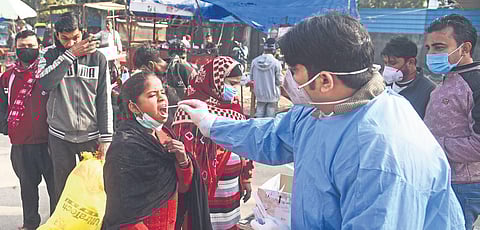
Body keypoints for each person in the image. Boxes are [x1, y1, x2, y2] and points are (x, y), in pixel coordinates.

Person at [177, 14, 465, 229]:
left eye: (293, 70)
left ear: (325, 80)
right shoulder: (324, 109)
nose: (286, 80)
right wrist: (212, 123)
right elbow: (271, 136)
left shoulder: (380, 157)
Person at [102, 72, 212, 230]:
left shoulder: (166, 136)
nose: (162, 98)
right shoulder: (124, 148)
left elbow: (183, 188)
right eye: (152, 95)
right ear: (133, 107)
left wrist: (183, 161)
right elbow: (122, 213)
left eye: (163, 93)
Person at [37, 12, 113, 205]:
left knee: (93, 189)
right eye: (65, 39)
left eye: (76, 38)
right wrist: (70, 55)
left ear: (82, 33)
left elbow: (104, 99)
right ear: (56, 36)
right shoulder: (49, 54)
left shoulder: (98, 58)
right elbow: (45, 83)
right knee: (61, 190)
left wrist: (105, 139)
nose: (70, 43)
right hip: (60, 135)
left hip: (91, 135)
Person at [172, 56, 253, 230]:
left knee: (228, 223)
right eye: (230, 83)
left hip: (231, 188)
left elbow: (245, 144)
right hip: (204, 190)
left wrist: (246, 177)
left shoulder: (234, 107)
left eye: (237, 84)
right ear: (215, 80)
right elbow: (186, 152)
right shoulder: (190, 108)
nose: (233, 89)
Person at [423, 14, 480, 230]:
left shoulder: (475, 83)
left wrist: (432, 145)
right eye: (428, 48)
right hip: (441, 179)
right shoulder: (448, 79)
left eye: (438, 47)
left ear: (465, 49)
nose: (430, 54)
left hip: (464, 186)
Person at [0, 30, 55, 230]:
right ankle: (30, 224)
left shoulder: (47, 73)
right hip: (21, 143)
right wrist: (5, 126)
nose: (27, 50)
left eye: (31, 46)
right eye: (22, 47)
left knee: (55, 188)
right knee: (27, 187)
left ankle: (58, 223)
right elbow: (1, 104)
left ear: (39, 48)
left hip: (49, 141)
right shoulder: (8, 76)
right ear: (16, 49)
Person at [381, 36, 436, 118]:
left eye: (393, 63)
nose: (388, 68)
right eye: (385, 63)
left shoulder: (429, 90)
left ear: (410, 62)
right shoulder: (381, 86)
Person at [249, 38, 283, 118]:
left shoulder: (254, 61)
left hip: (259, 95)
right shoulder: (276, 63)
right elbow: (279, 81)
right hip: (273, 96)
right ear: (274, 50)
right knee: (270, 120)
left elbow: (251, 78)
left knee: (259, 118)